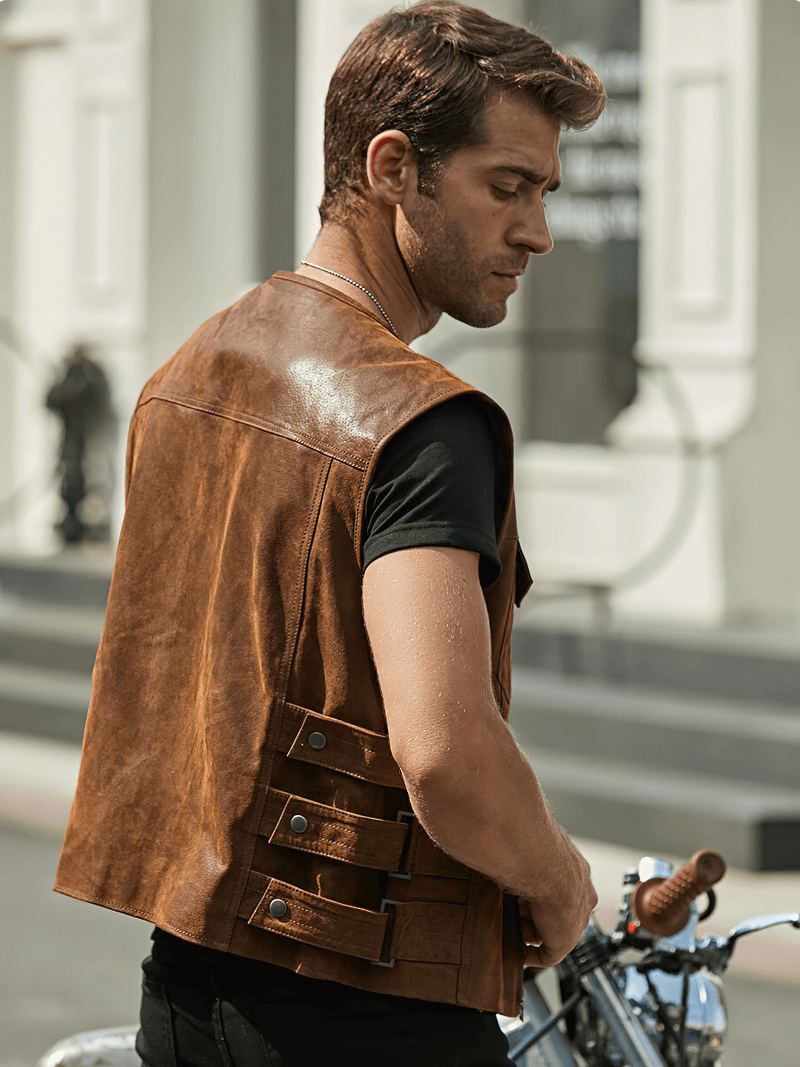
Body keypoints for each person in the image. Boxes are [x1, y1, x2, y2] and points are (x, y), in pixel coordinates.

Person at [55, 3, 605, 1065]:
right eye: (507, 186)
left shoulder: (187, 373)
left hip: (183, 987)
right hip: (365, 1006)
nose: (535, 231)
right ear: (393, 165)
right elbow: (445, 751)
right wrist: (558, 880)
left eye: (543, 193)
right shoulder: (423, 422)